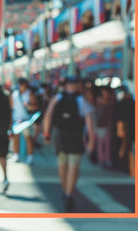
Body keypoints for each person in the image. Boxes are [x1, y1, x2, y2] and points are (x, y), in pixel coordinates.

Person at [43, 75, 95, 212]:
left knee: (62, 164)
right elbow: (89, 122)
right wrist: (91, 140)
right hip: (76, 136)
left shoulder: (58, 98)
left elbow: (48, 115)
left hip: (61, 136)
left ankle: (65, 188)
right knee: (74, 166)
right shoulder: (81, 99)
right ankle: (69, 193)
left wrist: (46, 133)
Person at [10, 77, 39, 164]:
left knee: (28, 138)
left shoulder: (30, 94)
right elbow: (12, 108)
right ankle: (16, 155)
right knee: (16, 138)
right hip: (16, 120)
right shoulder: (14, 94)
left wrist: (29, 106)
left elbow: (36, 106)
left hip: (26, 120)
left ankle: (30, 156)